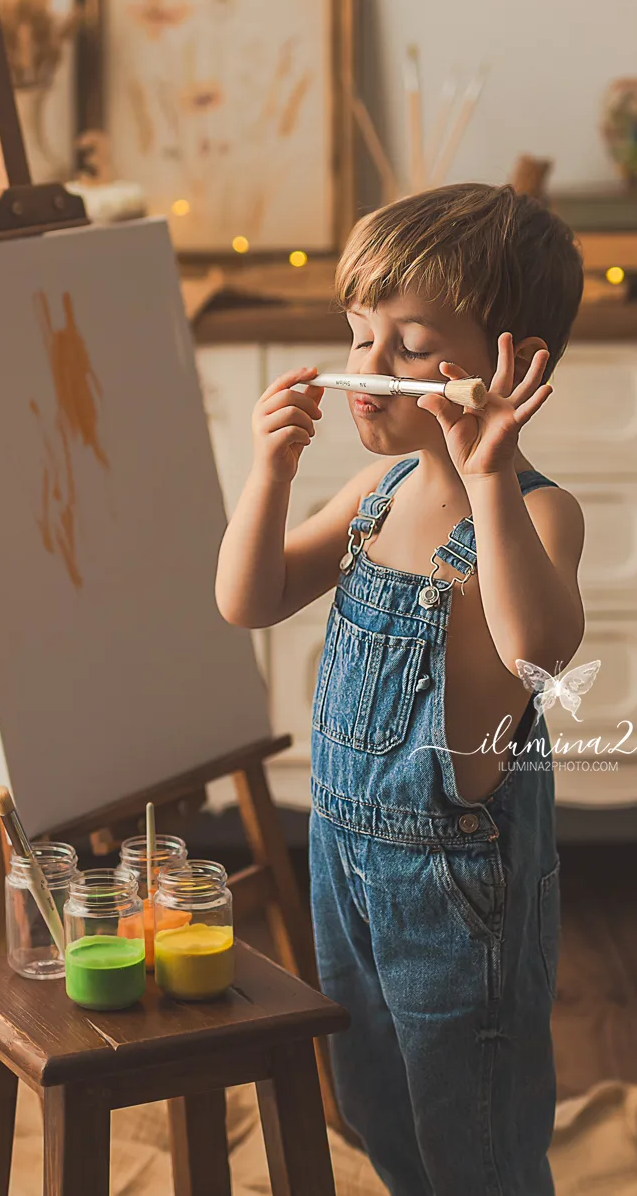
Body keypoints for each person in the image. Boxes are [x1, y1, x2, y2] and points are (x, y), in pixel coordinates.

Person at [216, 182, 587, 1193]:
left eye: (409, 344)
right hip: (341, 861)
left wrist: (491, 481)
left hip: (456, 889)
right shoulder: (370, 496)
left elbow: (538, 650)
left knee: (472, 1123)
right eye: (356, 336)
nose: (363, 370)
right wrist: (268, 474)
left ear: (510, 365)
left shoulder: (536, 517)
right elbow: (246, 599)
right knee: (376, 1101)